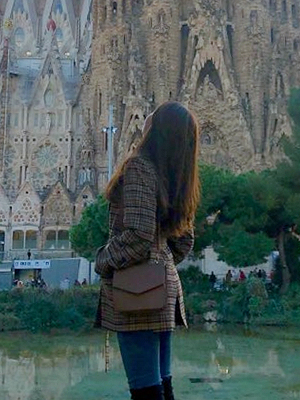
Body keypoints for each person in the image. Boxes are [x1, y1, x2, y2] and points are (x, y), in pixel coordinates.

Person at [95, 102, 200, 400]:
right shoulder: (176, 175)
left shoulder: (140, 166)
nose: (146, 118)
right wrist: (161, 262)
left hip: (137, 292)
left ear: (159, 130)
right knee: (162, 386)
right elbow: (183, 241)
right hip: (162, 290)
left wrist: (104, 260)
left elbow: (139, 236)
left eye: (153, 115)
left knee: (145, 391)